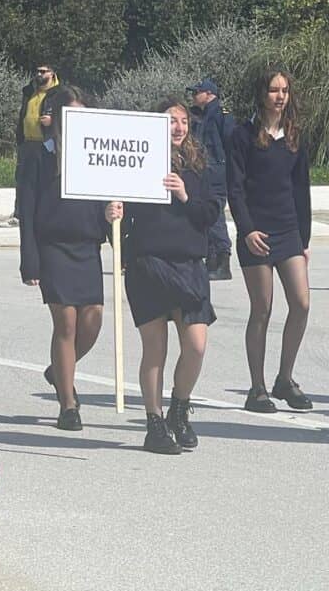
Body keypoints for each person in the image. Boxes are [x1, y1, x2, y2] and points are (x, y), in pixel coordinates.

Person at [108, 99, 221, 454]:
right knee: (155, 349)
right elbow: (120, 219)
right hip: (148, 264)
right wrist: (111, 214)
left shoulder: (199, 166)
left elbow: (210, 213)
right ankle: (154, 423)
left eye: (184, 120)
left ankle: (179, 409)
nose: (179, 127)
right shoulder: (139, 163)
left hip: (189, 265)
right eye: (171, 121)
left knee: (196, 346)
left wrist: (185, 195)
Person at [19, 85, 108, 431]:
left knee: (93, 320)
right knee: (66, 322)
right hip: (53, 247)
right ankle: (68, 403)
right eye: (71, 114)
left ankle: (58, 369)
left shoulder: (96, 154)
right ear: (55, 117)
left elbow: (106, 201)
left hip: (87, 247)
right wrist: (30, 260)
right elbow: (27, 210)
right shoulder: (38, 156)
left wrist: (112, 217)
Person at [227, 68, 313, 413]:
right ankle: (257, 388)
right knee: (262, 308)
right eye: (274, 90)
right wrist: (247, 230)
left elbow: (301, 188)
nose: (280, 96)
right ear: (262, 94)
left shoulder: (294, 135)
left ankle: (285, 379)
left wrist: (304, 239)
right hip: (256, 233)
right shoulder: (242, 135)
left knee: (301, 304)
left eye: (285, 90)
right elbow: (235, 188)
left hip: (288, 231)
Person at [187, 79, 235, 281]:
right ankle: (212, 260)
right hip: (202, 173)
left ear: (208, 94)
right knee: (205, 218)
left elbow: (232, 147)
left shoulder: (221, 116)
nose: (192, 96)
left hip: (216, 176)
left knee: (215, 219)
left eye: (196, 92)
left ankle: (223, 261)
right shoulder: (199, 116)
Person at [14, 64, 60, 223]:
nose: (39, 74)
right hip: (27, 143)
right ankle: (20, 214)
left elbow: (67, 115)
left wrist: (53, 121)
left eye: (43, 71)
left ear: (52, 73)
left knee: (45, 182)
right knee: (23, 181)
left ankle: (45, 214)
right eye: (37, 71)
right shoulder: (29, 91)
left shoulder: (59, 94)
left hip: (47, 144)